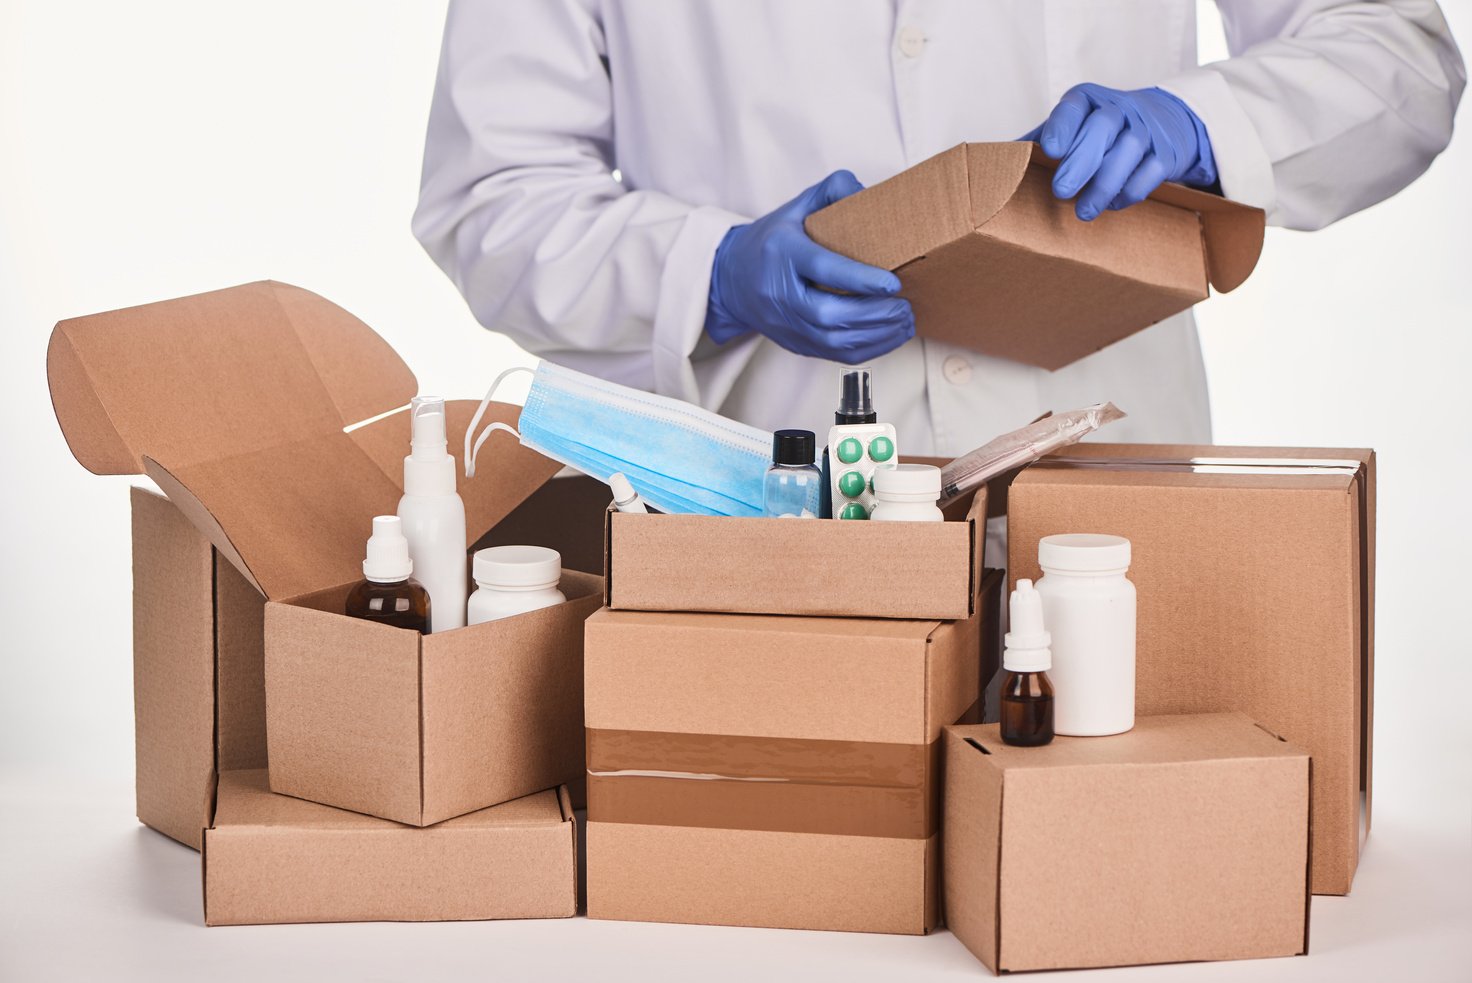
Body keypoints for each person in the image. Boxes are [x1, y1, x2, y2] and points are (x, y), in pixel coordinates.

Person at [414, 1, 1463, 457]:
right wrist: (713, 273)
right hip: (761, 497)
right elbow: (493, 191)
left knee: (1109, 863)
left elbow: (1396, 55)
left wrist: (1204, 123)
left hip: (1105, 472)